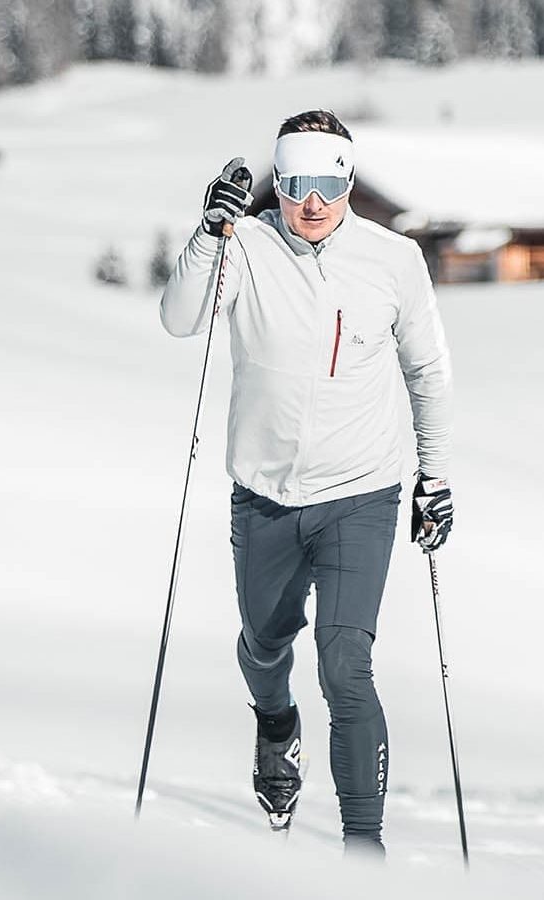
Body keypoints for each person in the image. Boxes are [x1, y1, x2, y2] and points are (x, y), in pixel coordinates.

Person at [159, 110, 455, 857]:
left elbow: (428, 371)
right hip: (263, 495)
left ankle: (364, 848)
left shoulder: (393, 260)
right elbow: (180, 319)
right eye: (295, 184)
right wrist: (208, 232)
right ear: (279, 184)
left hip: (361, 493)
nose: (312, 201)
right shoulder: (247, 246)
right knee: (265, 644)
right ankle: (275, 726)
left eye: (328, 182)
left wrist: (435, 475)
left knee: (346, 663)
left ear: (348, 179)